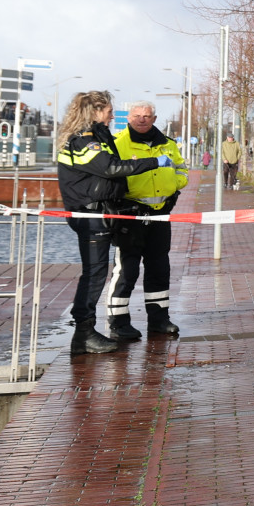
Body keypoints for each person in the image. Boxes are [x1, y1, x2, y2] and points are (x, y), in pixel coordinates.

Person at [54, 91, 166, 355]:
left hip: (101, 213)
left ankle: (86, 331)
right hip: (90, 215)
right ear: (94, 112)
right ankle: (83, 333)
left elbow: (109, 168)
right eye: (108, 111)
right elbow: (110, 168)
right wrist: (153, 162)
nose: (112, 115)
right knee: (93, 274)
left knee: (96, 273)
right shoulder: (83, 141)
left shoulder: (95, 138)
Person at [108, 102, 189, 340]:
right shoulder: (117, 143)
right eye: (137, 116)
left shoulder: (168, 144)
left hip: (160, 213)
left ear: (154, 118)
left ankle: (159, 319)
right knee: (127, 269)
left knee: (159, 267)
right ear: (128, 118)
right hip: (130, 214)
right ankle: (118, 321)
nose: (142, 120)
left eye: (147, 116)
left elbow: (182, 169)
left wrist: (175, 184)